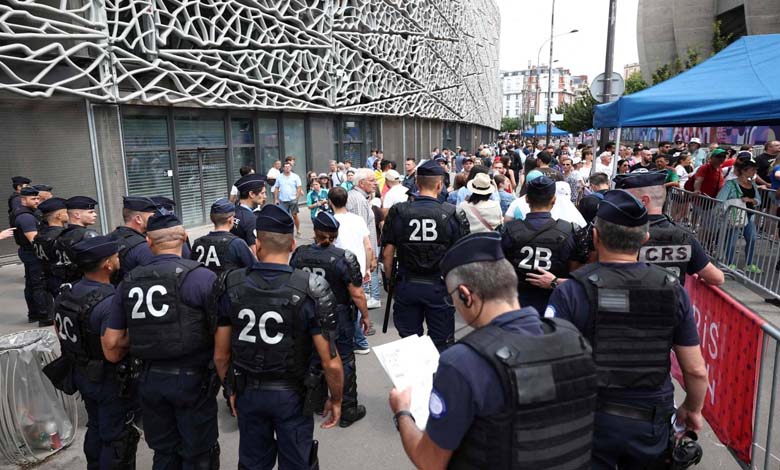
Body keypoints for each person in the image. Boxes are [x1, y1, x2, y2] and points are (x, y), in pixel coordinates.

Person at [388, 232, 596, 469]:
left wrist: (402, 412)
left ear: (466, 295)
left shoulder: (462, 363)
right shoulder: (571, 337)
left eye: (452, 299)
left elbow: (429, 461)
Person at [545, 190, 709, 469]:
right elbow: (695, 370)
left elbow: (551, 363)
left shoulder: (571, 291)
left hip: (589, 418)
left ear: (596, 236)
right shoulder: (672, 291)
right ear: (644, 238)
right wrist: (692, 409)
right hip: (650, 420)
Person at [213, 205, 344, 468]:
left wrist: (230, 389)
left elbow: (220, 354)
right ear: (293, 244)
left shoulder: (231, 283)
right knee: (297, 462)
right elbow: (330, 361)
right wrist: (337, 398)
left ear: (257, 244)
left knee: (252, 463)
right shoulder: (311, 287)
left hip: (249, 389)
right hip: (292, 394)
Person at [105, 211, 221, 469]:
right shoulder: (202, 277)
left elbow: (111, 344)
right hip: (194, 379)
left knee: (164, 452)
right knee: (199, 452)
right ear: (184, 237)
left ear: (148, 242)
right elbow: (221, 336)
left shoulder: (128, 281)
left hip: (149, 379)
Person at [53, 236, 139, 469]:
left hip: (80, 371)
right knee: (116, 436)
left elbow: (58, 328)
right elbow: (112, 350)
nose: (119, 258)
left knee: (96, 426)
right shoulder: (108, 300)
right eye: (115, 256)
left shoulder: (66, 293)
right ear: (107, 265)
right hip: (107, 378)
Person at [290, 211, 370, 427]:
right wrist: (365, 315)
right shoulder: (344, 257)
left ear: (315, 232)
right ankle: (347, 409)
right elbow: (356, 293)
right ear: (335, 234)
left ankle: (315, 402)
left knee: (313, 357)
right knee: (343, 359)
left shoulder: (299, 254)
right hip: (338, 314)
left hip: (307, 313)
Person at [381, 160, 462, 351]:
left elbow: (387, 254)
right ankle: (438, 379)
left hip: (408, 283)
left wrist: (389, 281)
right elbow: (460, 257)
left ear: (417, 183)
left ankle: (414, 380)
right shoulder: (451, 214)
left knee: (409, 344)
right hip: (439, 286)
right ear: (439, 184)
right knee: (441, 343)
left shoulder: (399, 212)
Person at [615, 171, 724, 286]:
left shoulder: (618, 233)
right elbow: (717, 278)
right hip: (670, 301)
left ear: (644, 201)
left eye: (625, 199)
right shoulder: (683, 238)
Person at [501, 177, 578, 314]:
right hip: (552, 304)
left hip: (516, 303)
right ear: (553, 200)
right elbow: (575, 273)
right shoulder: (568, 231)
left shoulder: (509, 229)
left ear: (526, 199)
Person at [329, 187, 375, 354]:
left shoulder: (331, 221)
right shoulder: (358, 220)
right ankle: (359, 339)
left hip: (339, 268)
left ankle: (359, 341)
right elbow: (368, 246)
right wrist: (368, 267)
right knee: (355, 301)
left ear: (330, 202)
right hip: (358, 267)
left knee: (345, 303)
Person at [11, 186, 50, 324]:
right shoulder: (26, 217)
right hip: (32, 253)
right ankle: (44, 316)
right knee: (38, 283)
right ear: (23, 199)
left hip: (27, 252)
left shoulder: (25, 213)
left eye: (38, 198)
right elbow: (34, 240)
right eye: (33, 199)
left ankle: (34, 314)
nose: (37, 201)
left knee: (31, 283)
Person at [717, 157, 762, 272]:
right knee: (732, 241)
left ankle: (749, 264)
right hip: (735, 215)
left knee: (752, 239)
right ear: (743, 170)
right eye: (752, 170)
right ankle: (730, 263)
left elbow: (758, 200)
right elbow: (720, 199)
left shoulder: (753, 184)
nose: (754, 173)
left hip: (749, 215)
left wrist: (751, 200)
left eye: (755, 170)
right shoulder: (730, 184)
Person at [347, 169, 381, 309]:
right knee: (368, 275)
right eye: (372, 180)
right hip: (364, 250)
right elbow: (362, 231)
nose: (375, 183)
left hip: (366, 249)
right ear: (361, 183)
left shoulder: (359, 197)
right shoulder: (358, 199)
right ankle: (369, 298)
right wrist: (370, 254)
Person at [192, 198, 255, 273]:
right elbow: (254, 268)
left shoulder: (197, 243)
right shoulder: (237, 244)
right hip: (230, 284)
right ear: (231, 220)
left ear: (211, 219)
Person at [33, 197, 69, 324]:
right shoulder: (61, 235)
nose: (68, 214)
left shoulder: (39, 235)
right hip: (62, 278)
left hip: (48, 276)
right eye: (66, 211)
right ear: (58, 215)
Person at [52, 196, 100, 285]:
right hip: (87, 284)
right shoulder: (88, 235)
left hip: (67, 285)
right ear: (77, 215)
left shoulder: (60, 235)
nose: (95, 215)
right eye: (91, 212)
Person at [108, 196, 158, 280]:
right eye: (151, 217)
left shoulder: (109, 238)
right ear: (138, 219)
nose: (154, 220)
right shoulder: (143, 247)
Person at [231, 173, 267, 247]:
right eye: (262, 193)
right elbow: (254, 253)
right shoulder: (251, 219)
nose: (265, 196)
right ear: (251, 194)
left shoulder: (232, 213)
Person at [273, 161, 304, 237]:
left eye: (288, 167)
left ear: (291, 167)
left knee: (294, 215)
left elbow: (299, 187)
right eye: (285, 167)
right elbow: (276, 188)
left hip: (293, 199)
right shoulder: (279, 177)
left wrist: (297, 198)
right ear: (283, 168)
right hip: (283, 200)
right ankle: (286, 231)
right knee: (284, 216)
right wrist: (276, 199)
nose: (287, 168)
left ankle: (298, 230)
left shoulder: (295, 176)